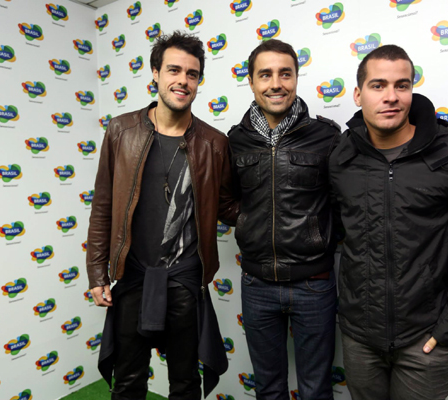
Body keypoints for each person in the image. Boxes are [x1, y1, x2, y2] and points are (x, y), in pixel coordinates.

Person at [329, 44, 448, 400]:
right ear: (358, 95)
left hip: (425, 339)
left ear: (412, 90)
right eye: (378, 85)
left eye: (402, 85)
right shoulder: (341, 157)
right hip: (360, 337)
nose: (391, 96)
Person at [86, 31, 238, 400]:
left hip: (186, 277)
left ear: (199, 81)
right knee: (128, 380)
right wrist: (96, 273)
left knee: (185, 382)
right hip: (133, 274)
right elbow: (103, 205)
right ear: (155, 73)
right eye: (173, 70)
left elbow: (228, 206)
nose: (182, 80)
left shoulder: (214, 143)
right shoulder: (121, 130)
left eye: (192, 73)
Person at [228, 39, 341, 400]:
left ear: (295, 77)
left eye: (285, 74)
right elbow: (223, 198)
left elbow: (344, 202)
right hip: (256, 283)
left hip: (314, 284)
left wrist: (318, 234)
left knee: (315, 390)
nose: (276, 83)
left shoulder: (326, 136)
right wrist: (247, 220)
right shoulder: (235, 140)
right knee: (269, 388)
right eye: (265, 74)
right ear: (251, 81)